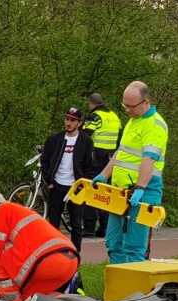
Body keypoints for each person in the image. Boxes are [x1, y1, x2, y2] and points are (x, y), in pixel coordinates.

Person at [91, 81, 168, 264]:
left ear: (145, 102)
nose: (127, 110)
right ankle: (118, 286)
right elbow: (122, 152)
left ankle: (136, 290)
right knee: (113, 243)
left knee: (134, 248)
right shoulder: (133, 121)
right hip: (121, 192)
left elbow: (149, 159)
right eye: (124, 105)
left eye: (131, 106)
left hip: (143, 193)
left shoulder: (155, 125)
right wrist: (104, 174)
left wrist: (140, 187)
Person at [0, 191, 79, 301]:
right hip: (70, 261)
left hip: (48, 262)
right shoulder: (21, 212)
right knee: (30, 299)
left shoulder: (3, 208)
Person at [40, 107, 94, 252]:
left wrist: (83, 185)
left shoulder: (86, 141)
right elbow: (44, 161)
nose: (68, 123)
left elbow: (89, 166)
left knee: (76, 224)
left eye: (72, 120)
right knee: (53, 224)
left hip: (76, 188)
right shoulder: (54, 139)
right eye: (67, 119)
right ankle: (53, 253)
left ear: (79, 123)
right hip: (57, 186)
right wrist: (49, 181)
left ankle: (75, 255)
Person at [82, 93, 122, 238]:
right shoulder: (114, 116)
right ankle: (104, 227)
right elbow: (120, 138)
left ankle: (89, 227)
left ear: (90, 104)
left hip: (95, 158)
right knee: (107, 192)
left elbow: (84, 136)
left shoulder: (95, 116)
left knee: (91, 190)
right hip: (111, 159)